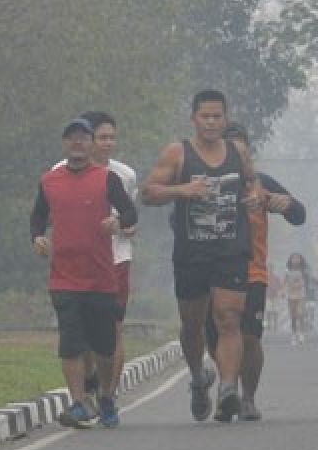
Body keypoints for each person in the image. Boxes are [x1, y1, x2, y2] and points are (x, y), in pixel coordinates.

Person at [142, 89, 258, 423]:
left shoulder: (238, 151)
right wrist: (182, 190)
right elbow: (148, 192)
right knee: (193, 324)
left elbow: (253, 184)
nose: (210, 122)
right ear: (194, 118)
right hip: (192, 252)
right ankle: (197, 377)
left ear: (226, 118)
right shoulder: (178, 153)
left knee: (229, 319)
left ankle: (227, 388)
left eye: (216, 116)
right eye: (204, 116)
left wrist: (254, 197)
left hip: (230, 250)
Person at [32, 118, 138, 429]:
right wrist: (36, 237)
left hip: (101, 277)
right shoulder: (49, 180)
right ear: (64, 144)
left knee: (104, 347)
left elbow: (131, 211)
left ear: (91, 145)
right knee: (70, 342)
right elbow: (37, 217)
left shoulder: (107, 179)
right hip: (63, 277)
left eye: (83, 138)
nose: (77, 143)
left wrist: (117, 223)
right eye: (71, 139)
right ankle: (78, 402)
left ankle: (106, 396)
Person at [204, 122, 306, 420]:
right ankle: (228, 392)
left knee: (249, 338)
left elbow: (299, 214)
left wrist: (283, 204)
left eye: (241, 151)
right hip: (213, 272)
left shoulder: (262, 182)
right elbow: (177, 220)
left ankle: (246, 397)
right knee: (216, 338)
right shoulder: (205, 181)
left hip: (253, 272)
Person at [284, 253, 310, 345]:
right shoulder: (287, 270)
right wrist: (282, 291)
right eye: (293, 258)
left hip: (301, 294)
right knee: (293, 316)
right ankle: (294, 335)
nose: (295, 260)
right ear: (290, 260)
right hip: (290, 295)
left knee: (300, 314)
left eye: (297, 258)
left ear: (300, 260)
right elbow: (285, 281)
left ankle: (301, 334)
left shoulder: (304, 270)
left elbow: (307, 282)